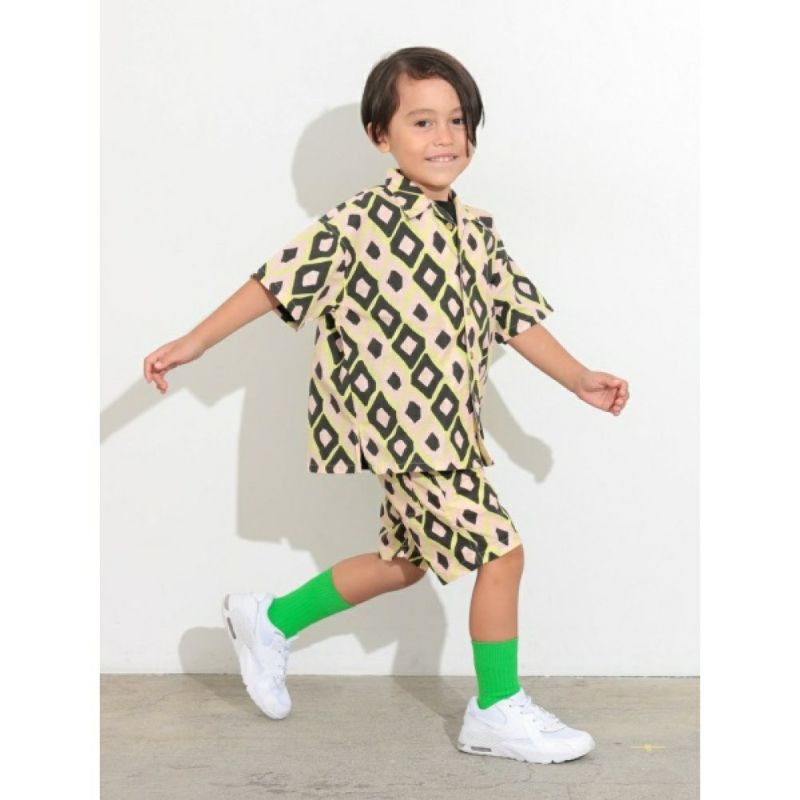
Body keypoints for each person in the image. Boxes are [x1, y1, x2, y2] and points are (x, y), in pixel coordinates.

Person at [143, 46, 629, 765]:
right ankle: (496, 708)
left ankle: (270, 620)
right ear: (381, 136)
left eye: (457, 121)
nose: (445, 138)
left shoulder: (476, 228)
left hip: (450, 427)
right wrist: (194, 342)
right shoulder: (357, 223)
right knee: (502, 553)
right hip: (403, 427)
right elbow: (274, 283)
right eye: (422, 122)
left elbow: (516, 317)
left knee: (404, 562)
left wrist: (578, 377)